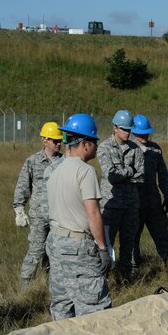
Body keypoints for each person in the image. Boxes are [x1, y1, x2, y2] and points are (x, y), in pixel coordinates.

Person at [45, 113, 111, 320]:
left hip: (55, 242)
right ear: (84, 144)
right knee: (94, 306)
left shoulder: (54, 170)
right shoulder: (86, 172)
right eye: (94, 142)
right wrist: (103, 248)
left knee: (62, 303)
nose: (96, 147)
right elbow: (93, 213)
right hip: (77, 247)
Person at [13, 122, 63, 290]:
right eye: (54, 140)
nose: (58, 143)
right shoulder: (32, 161)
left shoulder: (64, 161)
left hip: (59, 216)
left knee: (55, 252)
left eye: (60, 140)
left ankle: (51, 286)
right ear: (44, 140)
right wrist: (19, 210)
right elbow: (22, 186)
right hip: (39, 216)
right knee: (36, 251)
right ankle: (24, 287)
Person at [97, 109, 144, 279]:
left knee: (129, 244)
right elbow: (111, 175)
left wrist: (123, 174)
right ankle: (105, 279)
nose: (128, 133)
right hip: (111, 205)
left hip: (131, 205)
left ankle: (126, 278)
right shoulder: (104, 148)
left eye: (129, 130)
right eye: (124, 129)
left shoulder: (135, 149)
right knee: (106, 243)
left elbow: (141, 177)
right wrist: (130, 171)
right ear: (114, 127)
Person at [131, 114, 168, 266]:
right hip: (134, 204)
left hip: (154, 204)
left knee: (162, 235)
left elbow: (163, 174)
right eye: (141, 133)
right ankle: (133, 269)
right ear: (133, 132)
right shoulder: (128, 149)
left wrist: (167, 196)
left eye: (146, 132)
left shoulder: (155, 149)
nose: (144, 136)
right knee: (132, 238)